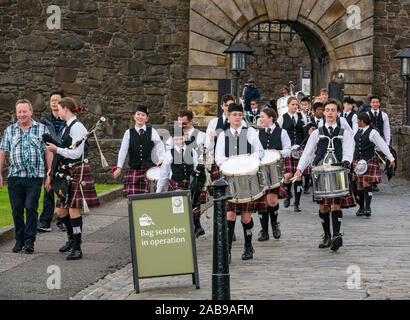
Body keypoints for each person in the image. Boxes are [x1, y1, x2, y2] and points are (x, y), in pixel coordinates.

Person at [294, 99, 356, 252]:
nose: (330, 113)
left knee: (336, 203)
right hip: (320, 171)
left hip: (338, 171)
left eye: (333, 110)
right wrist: (299, 169)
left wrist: (347, 162)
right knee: (323, 205)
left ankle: (336, 235)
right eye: (327, 110)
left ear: (338, 113)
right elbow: (308, 152)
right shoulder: (317, 132)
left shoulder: (344, 133)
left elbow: (349, 149)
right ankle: (327, 235)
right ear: (324, 112)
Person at [45, 97, 100, 260]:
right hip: (65, 172)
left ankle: (77, 247)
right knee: (61, 210)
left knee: (73, 209)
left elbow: (76, 153)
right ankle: (71, 239)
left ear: (66, 109)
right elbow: (61, 150)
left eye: (60, 109)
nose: (58, 112)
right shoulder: (65, 127)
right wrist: (51, 170)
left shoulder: (78, 127)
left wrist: (57, 149)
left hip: (77, 171)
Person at [0, 99, 52, 254]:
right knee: (16, 209)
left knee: (30, 206)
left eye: (24, 111)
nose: (21, 115)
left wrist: (50, 173)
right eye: (19, 112)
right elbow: (2, 151)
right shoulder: (9, 130)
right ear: (16, 114)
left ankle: (29, 241)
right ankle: (19, 240)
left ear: (31, 112)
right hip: (15, 177)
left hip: (35, 177)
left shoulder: (42, 129)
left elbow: (48, 151)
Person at [215, 103, 265, 262]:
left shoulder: (250, 132)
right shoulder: (223, 135)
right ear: (228, 116)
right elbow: (219, 157)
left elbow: (259, 152)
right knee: (229, 215)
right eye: (234, 115)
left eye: (239, 114)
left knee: (245, 217)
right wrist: (231, 164)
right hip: (230, 179)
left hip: (247, 178)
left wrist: (249, 162)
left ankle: (248, 246)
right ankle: (227, 250)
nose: (237, 117)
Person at [165, 110, 208, 237]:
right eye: (179, 123)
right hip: (179, 175)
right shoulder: (175, 135)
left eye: (184, 124)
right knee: (179, 204)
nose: (181, 126)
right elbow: (167, 151)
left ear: (190, 122)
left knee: (194, 201)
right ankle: (189, 229)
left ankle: (196, 227)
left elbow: (203, 154)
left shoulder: (200, 135)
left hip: (195, 172)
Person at [113, 106, 165, 197]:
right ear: (134, 116)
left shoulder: (152, 131)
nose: (140, 117)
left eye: (143, 115)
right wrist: (119, 167)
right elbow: (123, 150)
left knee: (149, 198)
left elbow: (160, 146)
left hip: (149, 169)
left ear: (146, 118)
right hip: (134, 169)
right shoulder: (128, 133)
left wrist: (161, 158)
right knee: (133, 199)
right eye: (138, 114)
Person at [352, 113, 395, 217]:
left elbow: (382, 145)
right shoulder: (358, 131)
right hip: (357, 161)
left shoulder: (373, 132)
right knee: (359, 186)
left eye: (358, 120)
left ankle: (368, 208)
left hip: (369, 160)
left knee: (367, 184)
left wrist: (391, 158)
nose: (357, 122)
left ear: (362, 121)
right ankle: (361, 207)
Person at [257, 107, 290, 241]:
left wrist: (279, 152)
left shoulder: (282, 132)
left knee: (272, 200)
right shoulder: (257, 133)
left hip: (275, 168)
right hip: (260, 169)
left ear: (271, 118)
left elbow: (288, 149)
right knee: (261, 200)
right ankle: (264, 230)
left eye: (263, 116)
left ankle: (274, 225)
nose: (261, 119)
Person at [38, 89, 66, 232]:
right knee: (48, 190)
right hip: (48, 160)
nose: (54, 103)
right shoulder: (44, 121)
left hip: (63, 159)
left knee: (62, 191)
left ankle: (63, 220)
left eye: (57, 100)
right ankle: (45, 222)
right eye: (52, 101)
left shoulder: (68, 120)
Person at [206, 94, 245, 182]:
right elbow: (208, 147)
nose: (228, 108)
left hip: (239, 162)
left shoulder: (242, 123)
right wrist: (211, 139)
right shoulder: (213, 122)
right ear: (222, 106)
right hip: (219, 161)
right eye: (226, 105)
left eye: (231, 105)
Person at [277, 97, 306, 212]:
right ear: (288, 105)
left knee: (297, 176)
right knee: (288, 176)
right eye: (293, 104)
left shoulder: (301, 117)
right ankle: (288, 194)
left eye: (296, 105)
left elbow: (305, 130)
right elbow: (278, 133)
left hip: (299, 149)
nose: (295, 107)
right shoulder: (282, 118)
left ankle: (297, 203)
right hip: (288, 149)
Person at [367, 95, 391, 192]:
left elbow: (386, 129)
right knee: (370, 161)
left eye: (377, 102)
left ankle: (375, 182)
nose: (375, 104)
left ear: (379, 104)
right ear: (370, 104)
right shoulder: (367, 115)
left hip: (380, 140)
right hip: (370, 141)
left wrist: (387, 142)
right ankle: (370, 181)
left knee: (377, 162)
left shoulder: (384, 115)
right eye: (373, 102)